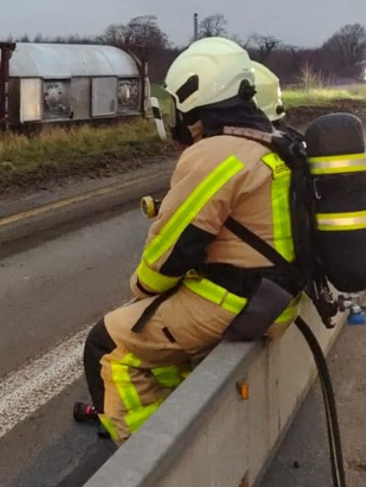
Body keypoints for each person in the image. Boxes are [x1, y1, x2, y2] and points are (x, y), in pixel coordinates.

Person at [80, 38, 305, 444]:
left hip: (238, 299)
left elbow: (171, 251)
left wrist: (142, 293)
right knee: (157, 339)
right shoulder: (272, 141)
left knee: (109, 343)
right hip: (275, 297)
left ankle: (146, 459)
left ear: (192, 96)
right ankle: (176, 425)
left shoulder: (216, 153)